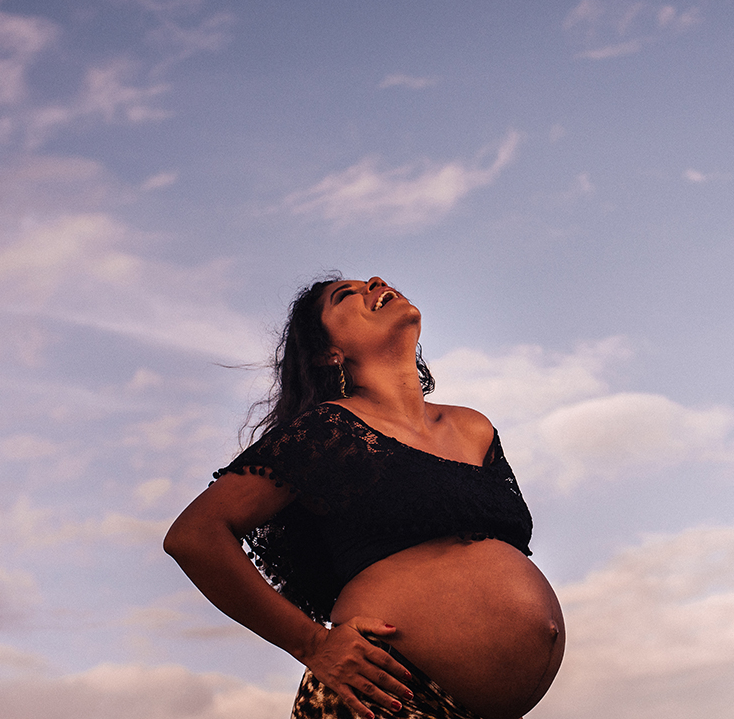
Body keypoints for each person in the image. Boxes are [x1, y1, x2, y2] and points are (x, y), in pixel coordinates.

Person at [164, 276, 564, 719]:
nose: (374, 282)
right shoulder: (328, 432)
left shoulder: (475, 428)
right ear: (327, 353)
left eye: (373, 280)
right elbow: (194, 535)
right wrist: (313, 643)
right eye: (344, 295)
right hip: (381, 700)